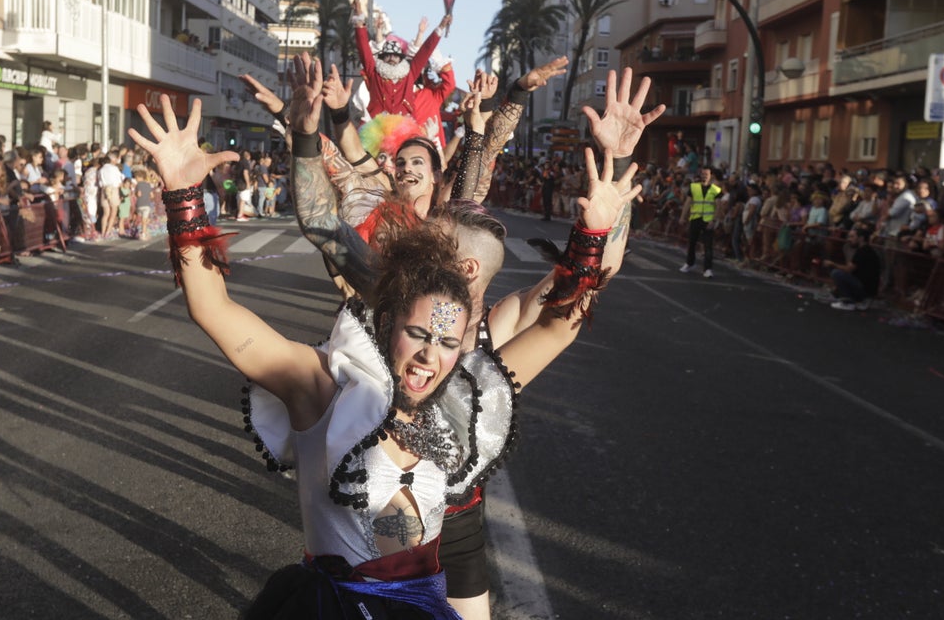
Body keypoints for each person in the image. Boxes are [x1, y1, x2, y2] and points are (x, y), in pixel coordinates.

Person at [128, 93, 639, 619]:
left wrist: (597, 228)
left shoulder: (465, 396)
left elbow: (559, 326)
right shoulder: (321, 391)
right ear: (388, 321)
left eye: (445, 342)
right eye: (417, 334)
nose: (428, 359)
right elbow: (211, 306)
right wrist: (182, 193)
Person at [822, 224, 881, 311]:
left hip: (865, 288)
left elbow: (849, 269)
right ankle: (853, 299)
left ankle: (848, 302)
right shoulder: (866, 250)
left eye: (852, 237)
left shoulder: (863, 251)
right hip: (866, 287)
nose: (849, 240)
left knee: (837, 273)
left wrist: (832, 264)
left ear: (861, 238)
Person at [679, 166, 723, 278]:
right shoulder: (694, 187)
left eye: (706, 174)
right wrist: (683, 217)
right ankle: (689, 263)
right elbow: (688, 203)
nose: (704, 176)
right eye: (703, 174)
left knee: (708, 246)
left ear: (710, 176)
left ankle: (708, 269)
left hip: (708, 221)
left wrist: (714, 220)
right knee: (692, 243)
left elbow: (719, 206)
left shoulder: (716, 190)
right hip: (695, 218)